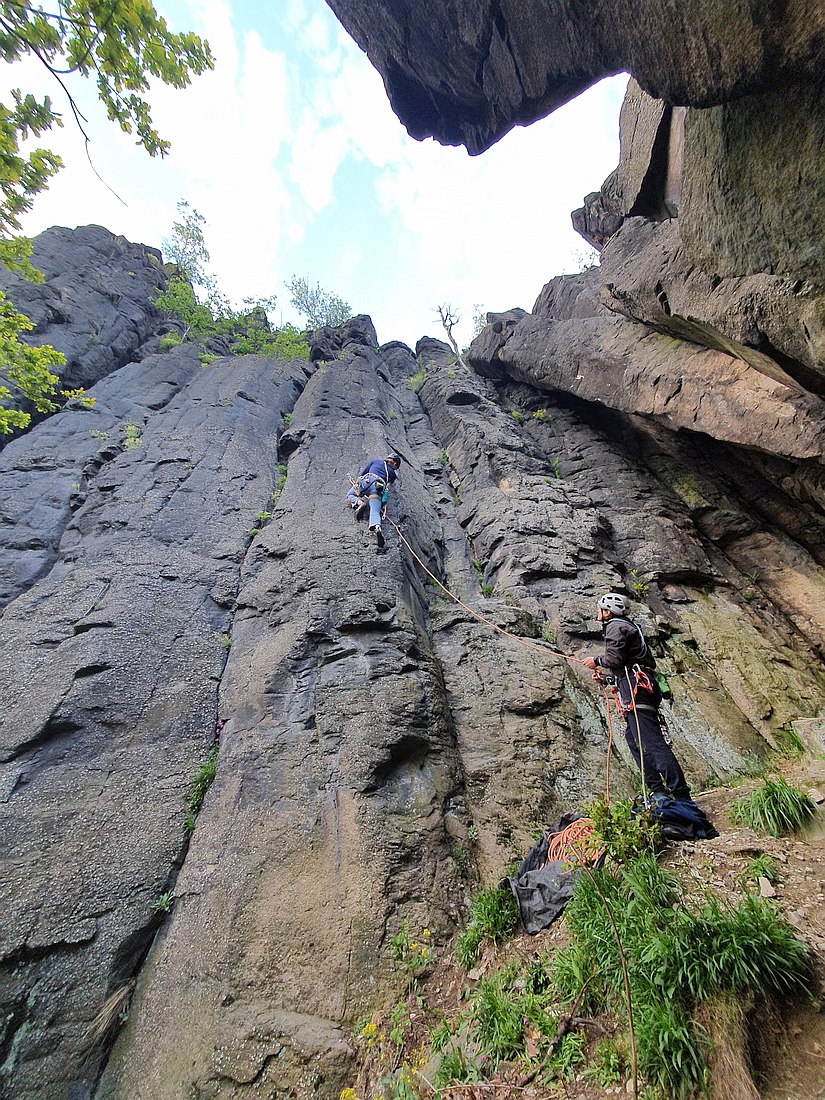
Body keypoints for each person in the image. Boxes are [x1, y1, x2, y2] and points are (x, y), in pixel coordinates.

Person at [582, 592, 692, 802]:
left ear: (607, 611)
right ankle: (657, 790)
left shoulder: (616, 626)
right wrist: (606, 680)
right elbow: (625, 664)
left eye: (600, 609)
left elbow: (614, 658)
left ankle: (681, 796)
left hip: (636, 688)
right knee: (633, 740)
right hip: (637, 686)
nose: (597, 612)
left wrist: (596, 661)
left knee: (651, 742)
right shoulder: (625, 626)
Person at [346, 452, 402, 547]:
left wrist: (357, 484)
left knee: (350, 494)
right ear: (395, 463)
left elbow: (362, 474)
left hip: (367, 481)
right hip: (378, 488)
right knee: (375, 511)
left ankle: (359, 503)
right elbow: (388, 486)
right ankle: (377, 527)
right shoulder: (392, 474)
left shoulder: (375, 461)